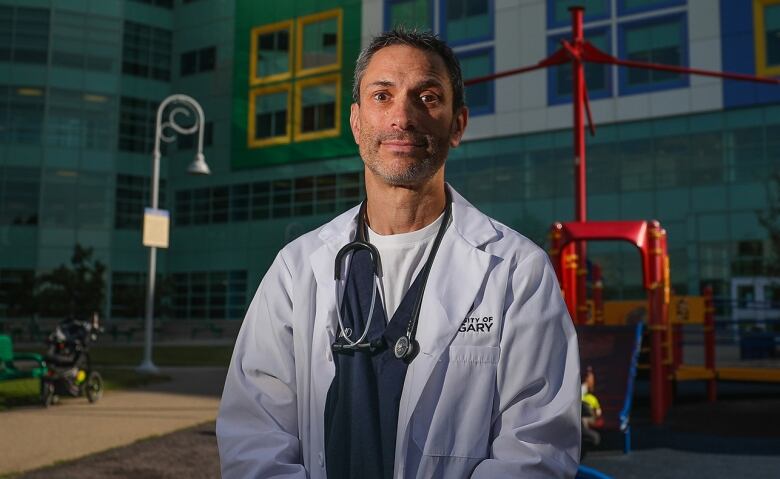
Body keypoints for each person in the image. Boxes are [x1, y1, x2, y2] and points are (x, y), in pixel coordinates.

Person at [217, 29, 581, 478]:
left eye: (427, 97)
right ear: (356, 122)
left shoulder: (517, 271)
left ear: (458, 124)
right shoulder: (297, 270)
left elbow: (536, 447)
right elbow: (253, 435)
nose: (402, 117)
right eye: (382, 95)